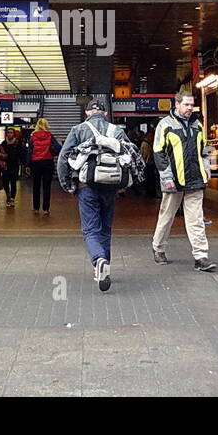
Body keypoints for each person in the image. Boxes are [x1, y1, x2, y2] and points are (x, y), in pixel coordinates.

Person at [58, 100, 142, 292]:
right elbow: (129, 155)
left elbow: (63, 157)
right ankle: (105, 268)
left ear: (88, 112)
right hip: (110, 186)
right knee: (105, 227)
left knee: (90, 230)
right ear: (104, 113)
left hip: (86, 186)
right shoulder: (116, 130)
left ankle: (99, 260)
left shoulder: (78, 129)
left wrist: (68, 185)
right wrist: (125, 184)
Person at [151, 91, 218, 272]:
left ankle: (200, 256)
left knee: (195, 219)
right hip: (174, 179)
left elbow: (204, 148)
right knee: (167, 216)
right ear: (177, 104)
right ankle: (158, 247)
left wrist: (206, 166)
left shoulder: (197, 125)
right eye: (186, 105)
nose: (190, 108)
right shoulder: (165, 125)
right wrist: (166, 177)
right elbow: (159, 153)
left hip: (195, 179)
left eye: (192, 105)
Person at [29, 118, 58, 215]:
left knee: (36, 186)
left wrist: (28, 164)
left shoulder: (33, 136)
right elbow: (58, 148)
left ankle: (36, 208)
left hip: (36, 163)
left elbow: (30, 151)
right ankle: (46, 209)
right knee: (47, 187)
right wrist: (52, 152)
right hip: (48, 162)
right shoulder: (50, 136)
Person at [1, 128, 25, 206]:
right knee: (5, 182)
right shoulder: (4, 143)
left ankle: (12, 198)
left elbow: (21, 155)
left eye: (11, 133)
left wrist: (24, 164)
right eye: (8, 132)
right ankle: (8, 194)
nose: (9, 134)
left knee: (13, 183)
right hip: (6, 166)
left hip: (14, 166)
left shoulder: (17, 144)